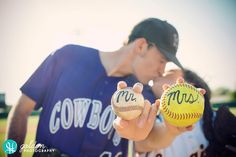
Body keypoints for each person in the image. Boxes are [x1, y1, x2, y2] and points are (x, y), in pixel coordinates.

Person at [6, 18, 186, 157]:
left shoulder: (141, 92)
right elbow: (21, 110)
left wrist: (171, 131)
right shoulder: (68, 57)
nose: (162, 71)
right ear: (141, 46)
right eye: (162, 60)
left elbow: (148, 138)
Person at [138, 69, 236, 157]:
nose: (159, 73)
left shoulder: (216, 121)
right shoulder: (149, 117)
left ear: (190, 87)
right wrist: (170, 132)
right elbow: (140, 144)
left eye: (168, 73)